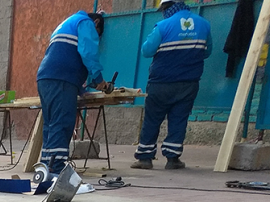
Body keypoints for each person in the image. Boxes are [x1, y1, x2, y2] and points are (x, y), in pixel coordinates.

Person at [131, 0, 212, 170]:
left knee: (153, 119)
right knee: (179, 119)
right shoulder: (204, 25)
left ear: (167, 8)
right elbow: (207, 51)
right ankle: (173, 158)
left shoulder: (163, 26)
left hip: (161, 82)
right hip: (188, 83)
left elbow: (146, 51)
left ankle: (145, 158)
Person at [36, 11, 113, 174]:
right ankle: (56, 168)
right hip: (62, 79)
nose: (97, 39)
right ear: (97, 22)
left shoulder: (67, 24)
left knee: (51, 124)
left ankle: (46, 166)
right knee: (62, 123)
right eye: (98, 36)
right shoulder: (86, 23)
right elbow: (88, 53)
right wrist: (100, 80)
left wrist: (82, 88)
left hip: (46, 77)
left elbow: (66, 55)